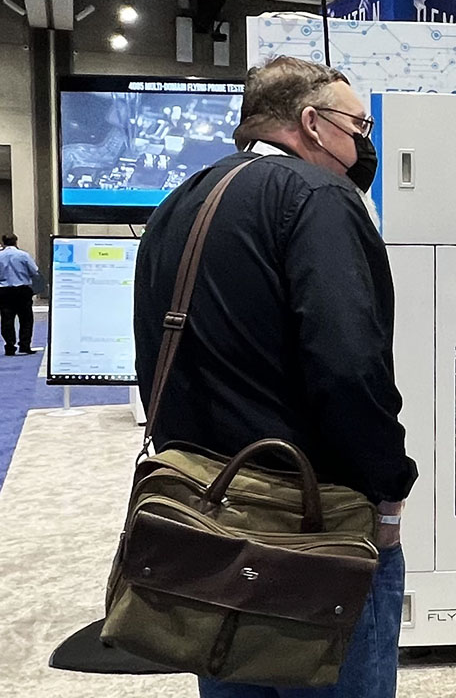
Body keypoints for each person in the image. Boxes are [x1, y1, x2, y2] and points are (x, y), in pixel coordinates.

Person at [134, 57, 416, 698]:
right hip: (312, 522)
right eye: (358, 125)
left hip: (205, 512)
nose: (363, 143)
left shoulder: (180, 201)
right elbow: (350, 366)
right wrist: (387, 487)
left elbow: (154, 355)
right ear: (312, 124)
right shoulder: (318, 197)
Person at [0, 233, 40, 356]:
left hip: (4, 291)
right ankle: (25, 345)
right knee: (26, 319)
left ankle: (10, 346)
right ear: (16, 242)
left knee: (6, 319)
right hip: (22, 290)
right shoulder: (23, 255)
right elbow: (34, 271)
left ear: (3, 242)